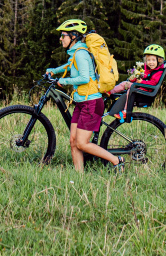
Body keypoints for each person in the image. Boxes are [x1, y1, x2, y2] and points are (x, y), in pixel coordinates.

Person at [46, 19, 122, 172]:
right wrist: (55, 70)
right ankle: (80, 178)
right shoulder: (76, 53)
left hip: (91, 103)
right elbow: (70, 65)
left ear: (74, 36)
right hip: (82, 102)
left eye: (63, 35)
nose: (61, 39)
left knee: (81, 143)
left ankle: (116, 160)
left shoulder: (81, 53)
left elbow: (84, 78)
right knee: (74, 142)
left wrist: (64, 80)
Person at [107, 44, 166, 118]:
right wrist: (134, 78)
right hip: (142, 87)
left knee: (130, 91)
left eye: (153, 60)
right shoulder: (148, 69)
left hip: (146, 90)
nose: (151, 62)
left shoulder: (158, 72)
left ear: (159, 60)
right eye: (148, 60)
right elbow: (142, 76)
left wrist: (141, 82)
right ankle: (110, 91)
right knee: (124, 83)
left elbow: (153, 83)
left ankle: (125, 111)